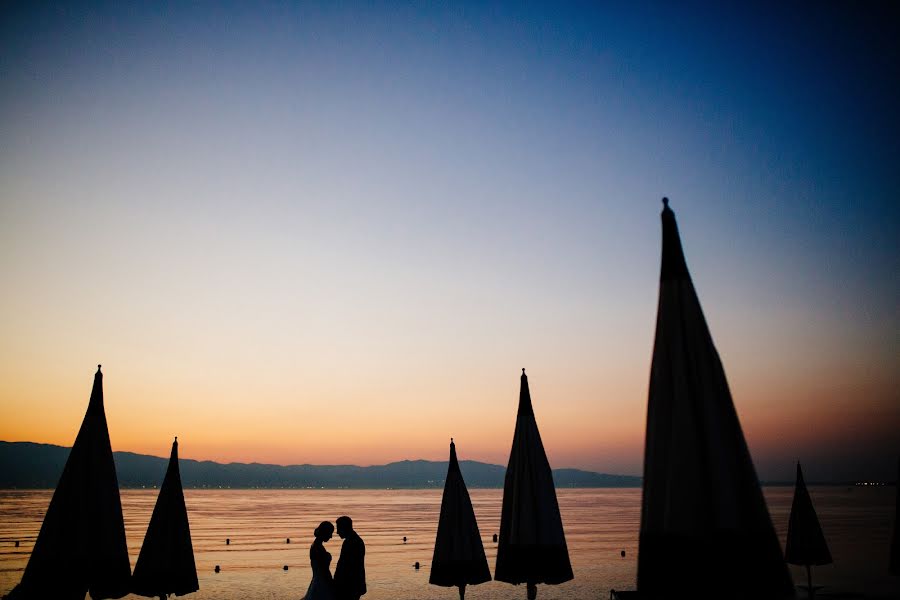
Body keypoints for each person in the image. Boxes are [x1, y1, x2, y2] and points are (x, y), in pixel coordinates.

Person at [333, 516, 366, 600]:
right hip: (352, 584)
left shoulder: (352, 542)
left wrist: (336, 582)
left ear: (345, 528)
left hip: (349, 585)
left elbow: (346, 566)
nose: (337, 532)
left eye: (339, 529)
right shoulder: (354, 540)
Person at [302, 521, 336, 600]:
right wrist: (331, 583)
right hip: (322, 583)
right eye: (330, 533)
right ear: (325, 533)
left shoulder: (315, 546)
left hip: (317, 581)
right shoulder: (318, 548)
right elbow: (324, 570)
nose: (331, 537)